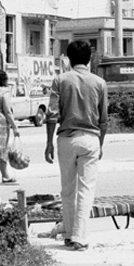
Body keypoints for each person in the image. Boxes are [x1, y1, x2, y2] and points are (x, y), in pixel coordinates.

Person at [45, 40, 108, 252]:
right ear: (89, 59)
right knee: (86, 190)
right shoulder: (99, 83)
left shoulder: (60, 80)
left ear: (69, 59)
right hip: (91, 139)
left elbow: (51, 115)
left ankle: (70, 234)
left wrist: (48, 143)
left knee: (67, 189)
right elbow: (104, 120)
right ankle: (79, 237)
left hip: (66, 139)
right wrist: (100, 143)